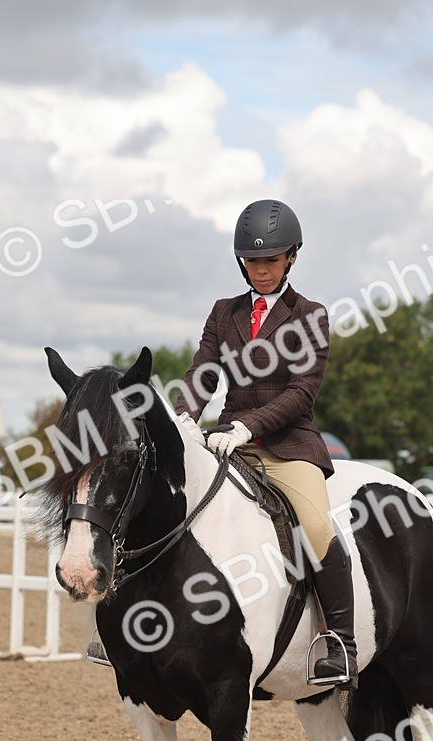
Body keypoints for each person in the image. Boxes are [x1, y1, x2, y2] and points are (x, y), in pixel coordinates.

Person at [175, 198, 357, 688]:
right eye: (253, 262)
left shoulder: (310, 315)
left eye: (270, 261)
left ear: (291, 258)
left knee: (317, 527)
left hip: (287, 445)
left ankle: (340, 641)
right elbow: (203, 372)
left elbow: (301, 393)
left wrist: (245, 428)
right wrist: (184, 419)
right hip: (227, 440)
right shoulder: (223, 312)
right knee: (157, 498)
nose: (261, 270)